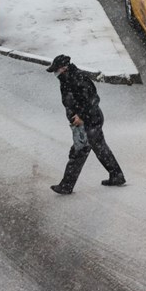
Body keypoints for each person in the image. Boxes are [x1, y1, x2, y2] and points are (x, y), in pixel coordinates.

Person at [47, 54, 126, 195]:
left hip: (90, 120)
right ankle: (116, 175)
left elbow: (93, 100)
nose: (55, 74)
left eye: (56, 70)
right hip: (86, 121)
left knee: (79, 152)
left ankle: (66, 186)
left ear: (64, 68)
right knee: (100, 148)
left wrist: (82, 116)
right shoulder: (66, 79)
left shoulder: (78, 79)